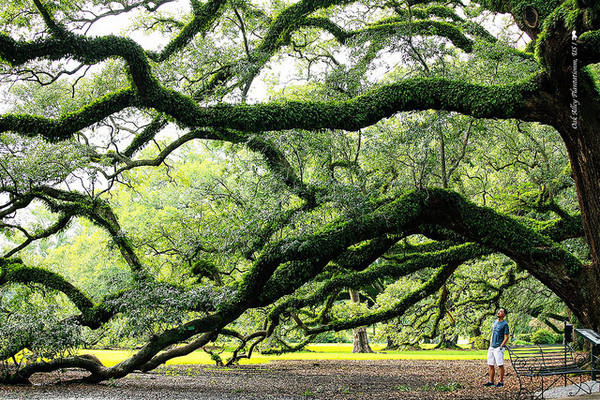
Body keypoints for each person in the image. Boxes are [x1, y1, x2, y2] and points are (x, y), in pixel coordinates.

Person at [483, 308, 510, 388]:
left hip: (498, 347)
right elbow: (493, 334)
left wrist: (501, 346)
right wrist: (491, 344)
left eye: (501, 311)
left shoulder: (505, 324)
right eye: (499, 311)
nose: (499, 312)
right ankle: (491, 381)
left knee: (500, 365)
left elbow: (506, 337)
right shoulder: (494, 322)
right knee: (490, 364)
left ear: (504, 315)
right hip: (492, 346)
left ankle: (501, 382)